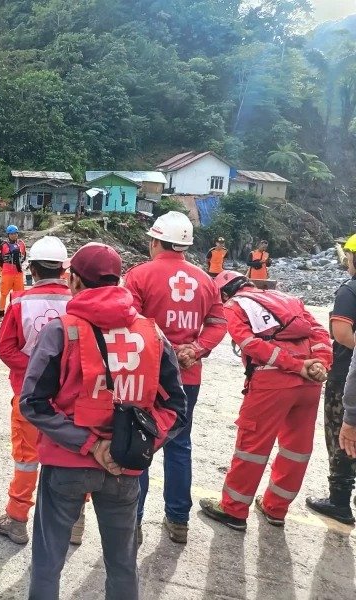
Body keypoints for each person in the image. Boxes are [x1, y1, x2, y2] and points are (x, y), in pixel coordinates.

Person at [20, 242, 187, 600]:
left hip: (66, 465)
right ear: (119, 280)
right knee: (122, 563)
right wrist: (132, 446)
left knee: (48, 561)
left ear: (76, 281)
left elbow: (32, 403)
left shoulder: (61, 330)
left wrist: (92, 445)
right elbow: (176, 409)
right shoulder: (152, 334)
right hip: (124, 469)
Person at [123, 211, 227, 544]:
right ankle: (178, 520)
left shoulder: (138, 276)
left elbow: (129, 323)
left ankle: (132, 523)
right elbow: (217, 324)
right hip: (188, 375)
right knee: (179, 443)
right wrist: (196, 349)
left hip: (147, 374)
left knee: (139, 441)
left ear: (155, 242)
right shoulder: (205, 279)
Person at [200, 271, 331, 530]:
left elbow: (250, 344)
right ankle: (276, 509)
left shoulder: (234, 306)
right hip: (310, 384)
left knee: (252, 448)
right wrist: (319, 364)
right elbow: (319, 333)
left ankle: (234, 510)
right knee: (296, 448)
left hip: (272, 384)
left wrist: (294, 365)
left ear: (224, 293)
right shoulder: (288, 298)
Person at [0, 236, 74, 545]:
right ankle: (74, 524)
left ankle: (16, 518)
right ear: (64, 271)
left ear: (32, 270)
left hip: (29, 395)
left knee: (27, 457)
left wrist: (37, 371)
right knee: (75, 454)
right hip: (71, 396)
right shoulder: (80, 302)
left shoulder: (19, 302)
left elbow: (6, 350)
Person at [306, 234, 356, 524]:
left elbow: (341, 333)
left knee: (342, 435)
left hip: (345, 376)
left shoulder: (349, 291)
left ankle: (339, 501)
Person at [0, 225, 27, 319]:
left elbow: (24, 256)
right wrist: (7, 266)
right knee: (4, 293)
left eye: (15, 233)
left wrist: (18, 263)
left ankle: (15, 313)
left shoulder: (21, 244)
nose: (14, 235)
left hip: (18, 272)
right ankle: (2, 314)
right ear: (8, 235)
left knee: (18, 294)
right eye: (11, 234)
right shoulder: (3, 245)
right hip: (7, 273)